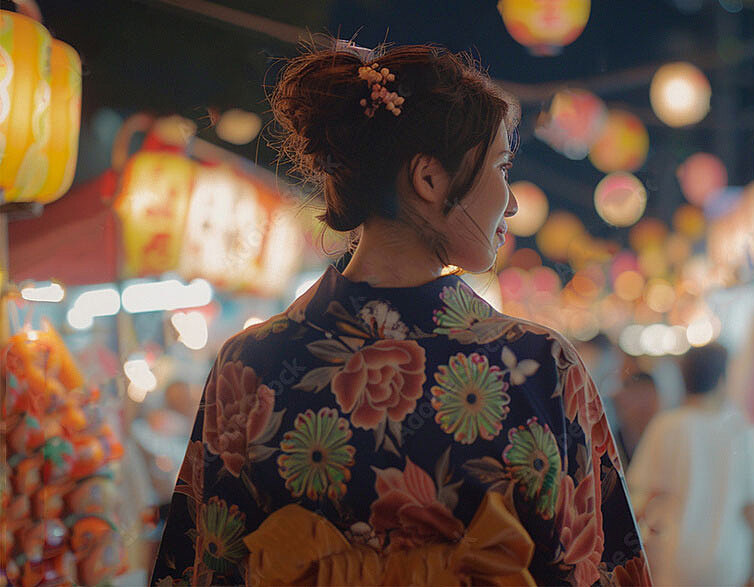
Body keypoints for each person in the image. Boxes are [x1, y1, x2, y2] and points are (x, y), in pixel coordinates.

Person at [151, 42, 650, 586]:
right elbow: (596, 567)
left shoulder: (249, 365)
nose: (510, 203)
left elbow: (202, 568)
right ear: (430, 179)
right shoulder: (539, 366)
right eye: (502, 167)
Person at [626, 343, 754, 587]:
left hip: (673, 555)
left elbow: (645, 495)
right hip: (729, 557)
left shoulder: (666, 425)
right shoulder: (742, 430)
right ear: (721, 379)